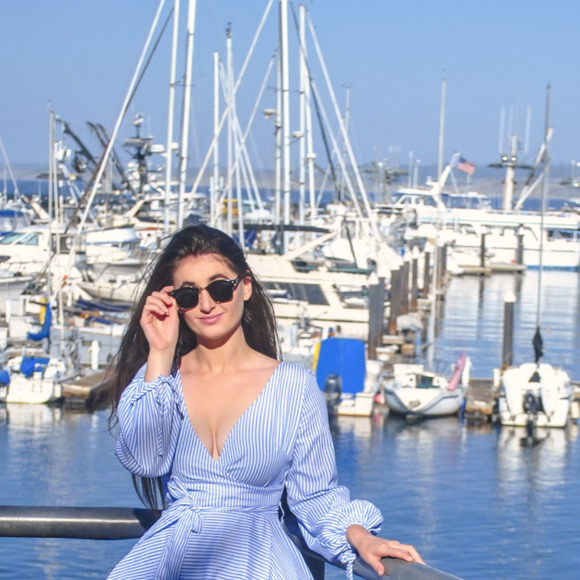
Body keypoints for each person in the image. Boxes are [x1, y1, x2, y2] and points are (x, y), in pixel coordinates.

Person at [107, 224, 423, 579]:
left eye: (219, 288)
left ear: (245, 286)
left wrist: (362, 538)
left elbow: (315, 495)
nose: (206, 304)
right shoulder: (160, 381)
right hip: (174, 563)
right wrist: (161, 352)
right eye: (189, 295)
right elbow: (146, 459)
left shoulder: (293, 387)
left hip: (260, 564)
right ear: (175, 303)